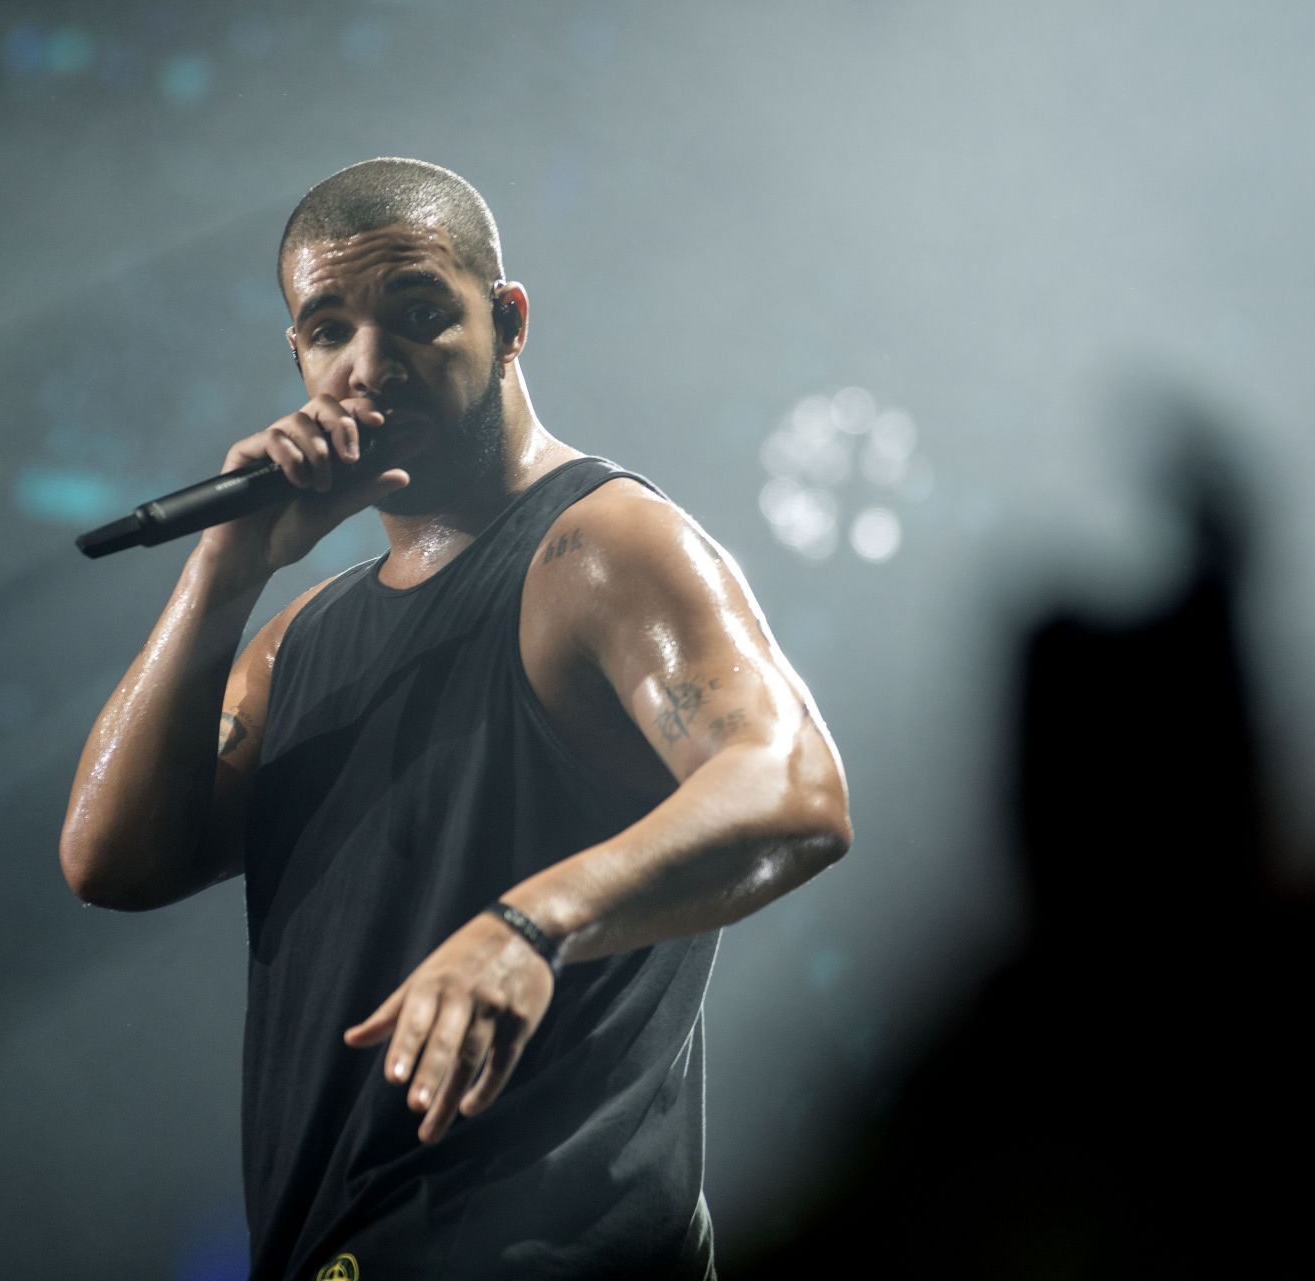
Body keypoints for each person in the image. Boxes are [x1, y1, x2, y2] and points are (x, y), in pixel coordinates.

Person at [59, 157, 852, 1281]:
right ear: (297, 357)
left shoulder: (601, 546)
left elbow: (794, 789)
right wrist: (227, 568)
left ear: (509, 320)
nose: (370, 365)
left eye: (420, 313)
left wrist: (529, 927)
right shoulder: (301, 636)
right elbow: (109, 859)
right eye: (327, 328)